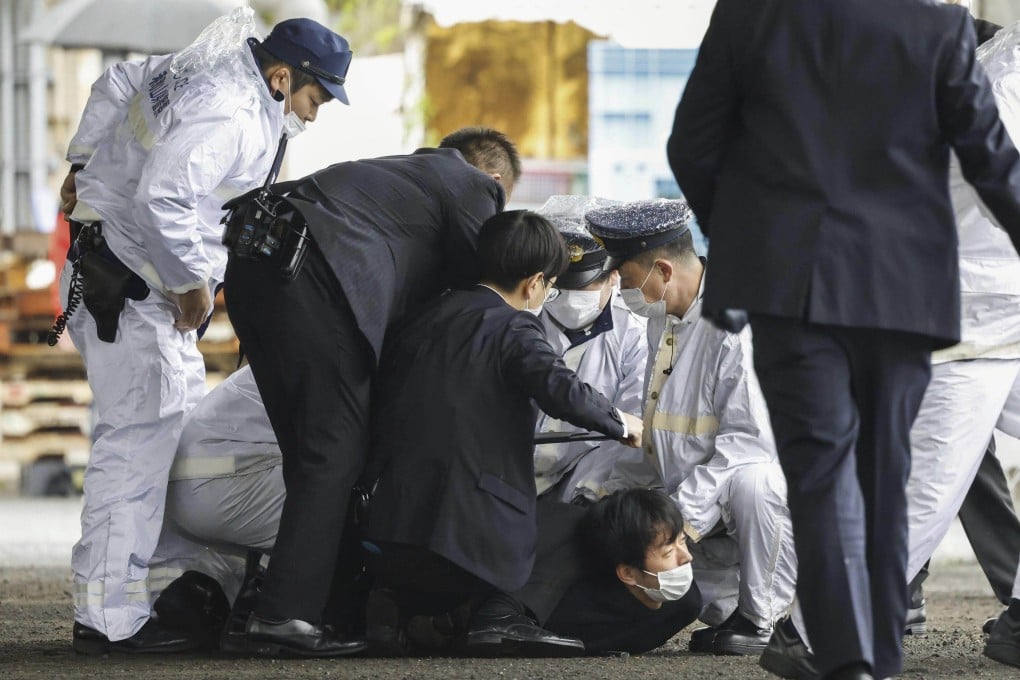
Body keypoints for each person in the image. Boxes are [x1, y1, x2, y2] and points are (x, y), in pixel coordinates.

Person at [666, 1, 1020, 678]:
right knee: (890, 481)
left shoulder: (749, 17)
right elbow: (994, 166)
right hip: (909, 295)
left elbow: (692, 147)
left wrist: (749, 248)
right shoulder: (940, 30)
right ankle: (854, 650)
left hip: (793, 291)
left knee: (825, 480)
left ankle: (844, 656)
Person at [57, 8, 352, 654]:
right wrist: (192, 283)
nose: (314, 114)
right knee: (136, 449)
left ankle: (160, 595)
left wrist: (81, 160)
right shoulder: (232, 111)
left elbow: (117, 81)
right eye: (316, 98)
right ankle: (107, 620)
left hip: (119, 276)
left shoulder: (203, 71)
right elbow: (161, 197)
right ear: (282, 76)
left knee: (168, 442)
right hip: (135, 289)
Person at [222, 127, 521, 657]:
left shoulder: (398, 178)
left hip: (255, 266)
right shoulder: (473, 185)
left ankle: (289, 609)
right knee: (333, 453)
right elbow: (487, 288)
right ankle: (284, 616)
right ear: (495, 180)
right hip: (312, 280)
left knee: (310, 455)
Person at [362, 209, 643, 656]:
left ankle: (396, 609)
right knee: (575, 522)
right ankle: (500, 616)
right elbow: (558, 387)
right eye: (552, 286)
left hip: (390, 526)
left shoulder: (425, 314)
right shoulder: (514, 324)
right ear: (534, 283)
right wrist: (622, 422)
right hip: (468, 538)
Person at [586, 199, 797, 656]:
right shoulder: (664, 318)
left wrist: (676, 519)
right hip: (702, 503)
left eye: (627, 280)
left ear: (663, 270)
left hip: (757, 503)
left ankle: (765, 619)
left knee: (756, 482)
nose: (622, 291)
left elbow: (748, 445)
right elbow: (661, 434)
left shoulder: (734, 326)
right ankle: (738, 611)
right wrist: (606, 493)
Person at [533, 195, 659, 503]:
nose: (570, 297)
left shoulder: (635, 335)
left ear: (613, 276)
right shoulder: (525, 317)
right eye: (561, 287)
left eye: (583, 287)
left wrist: (590, 492)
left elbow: (631, 428)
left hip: (581, 473)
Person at [543, 488, 702, 655]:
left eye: (682, 542)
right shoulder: (571, 617)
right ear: (628, 573)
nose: (687, 557)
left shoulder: (685, 605)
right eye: (668, 553)